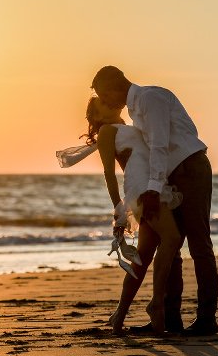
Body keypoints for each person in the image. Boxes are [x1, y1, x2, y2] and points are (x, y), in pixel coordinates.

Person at [91, 65, 218, 336]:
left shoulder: (150, 98)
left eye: (104, 94)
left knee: (199, 245)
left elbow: (160, 145)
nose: (104, 101)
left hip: (190, 169)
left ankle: (207, 320)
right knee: (170, 250)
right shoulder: (136, 113)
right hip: (170, 178)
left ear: (114, 86)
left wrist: (151, 188)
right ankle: (170, 318)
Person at [77, 97, 182, 335]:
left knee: (143, 256)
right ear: (98, 114)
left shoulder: (129, 126)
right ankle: (157, 304)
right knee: (172, 238)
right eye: (104, 102)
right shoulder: (106, 131)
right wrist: (118, 208)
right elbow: (109, 173)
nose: (111, 102)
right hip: (141, 188)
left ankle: (119, 316)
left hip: (155, 186)